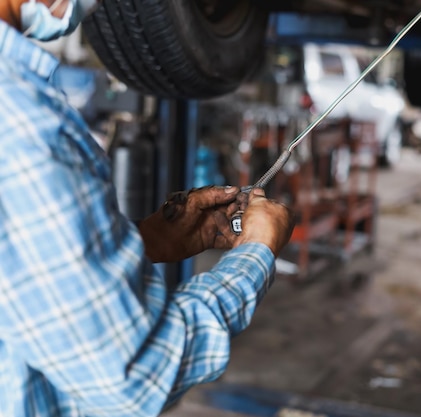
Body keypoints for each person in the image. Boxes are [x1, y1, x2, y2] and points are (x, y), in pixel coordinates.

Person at [0, 1, 295, 416]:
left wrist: (148, 239)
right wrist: (256, 255)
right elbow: (134, 378)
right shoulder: (23, 124)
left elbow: (17, 271)